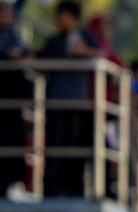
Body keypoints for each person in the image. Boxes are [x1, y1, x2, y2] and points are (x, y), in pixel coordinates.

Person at [39, 0, 100, 196]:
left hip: (78, 103)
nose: (59, 20)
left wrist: (84, 52)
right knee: (55, 145)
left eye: (63, 16)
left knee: (75, 146)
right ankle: (52, 188)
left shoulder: (85, 37)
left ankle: (74, 189)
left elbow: (102, 55)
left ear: (73, 18)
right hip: (56, 102)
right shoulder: (53, 41)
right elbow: (40, 61)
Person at [0, 1, 28, 197]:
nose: (8, 16)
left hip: (12, 100)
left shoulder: (15, 35)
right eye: (4, 12)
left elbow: (25, 52)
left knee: (12, 140)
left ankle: (8, 183)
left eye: (10, 13)